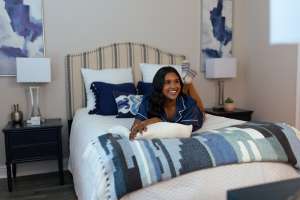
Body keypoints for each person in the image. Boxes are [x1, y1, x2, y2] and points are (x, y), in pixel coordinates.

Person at [130, 66, 204, 139]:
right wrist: (138, 125)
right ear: (159, 85)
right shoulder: (148, 99)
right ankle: (186, 83)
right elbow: (137, 122)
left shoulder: (189, 103)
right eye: (168, 82)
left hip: (196, 114)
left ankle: (188, 84)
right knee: (176, 91)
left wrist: (157, 121)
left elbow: (183, 131)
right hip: (176, 98)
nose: (173, 86)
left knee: (200, 109)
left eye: (177, 81)